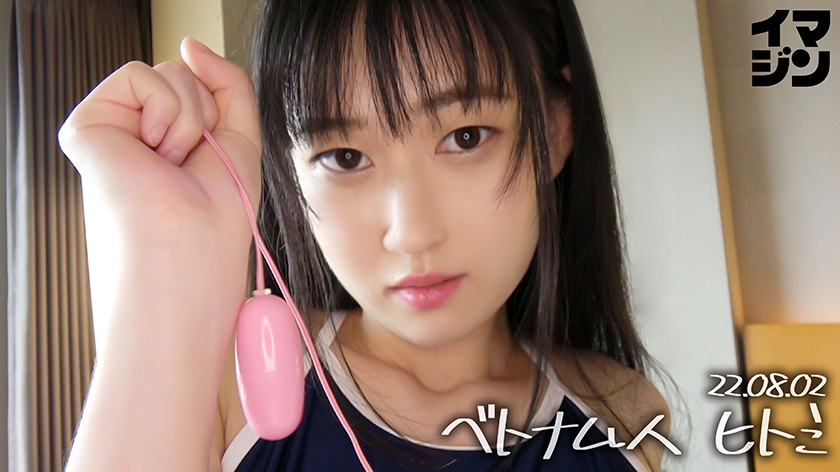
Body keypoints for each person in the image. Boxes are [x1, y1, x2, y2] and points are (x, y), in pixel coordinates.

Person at [59, 0, 674, 471]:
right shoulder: (231, 387)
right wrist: (167, 242)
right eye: (345, 157)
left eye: (465, 137)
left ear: (559, 126)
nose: (411, 234)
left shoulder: (622, 413)